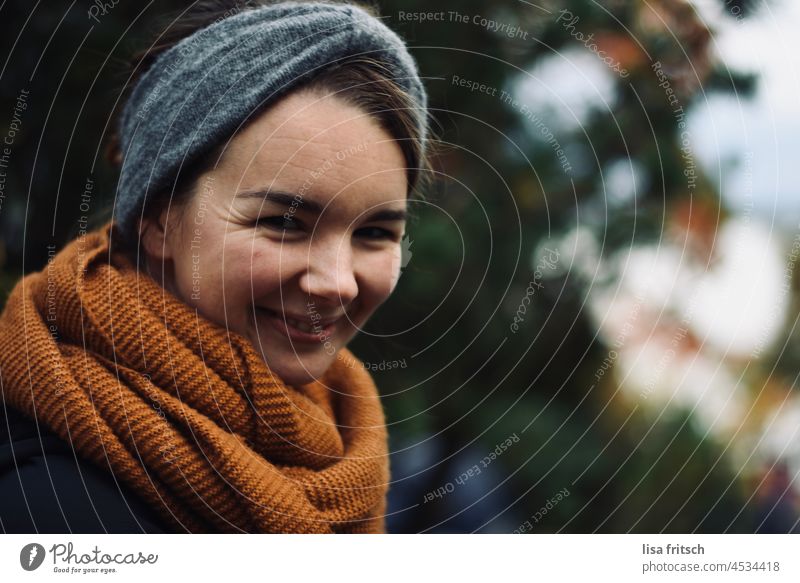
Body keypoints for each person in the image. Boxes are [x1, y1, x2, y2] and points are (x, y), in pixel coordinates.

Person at [0, 0, 429, 533]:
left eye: (373, 233)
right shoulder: (43, 510)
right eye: (285, 223)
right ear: (160, 219)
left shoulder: (340, 446)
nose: (337, 282)